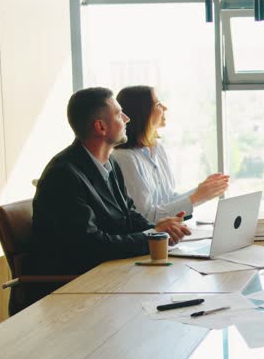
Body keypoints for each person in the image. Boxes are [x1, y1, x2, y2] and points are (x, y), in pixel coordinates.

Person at [31, 87, 190, 282]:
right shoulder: (63, 176)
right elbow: (92, 245)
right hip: (76, 285)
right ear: (101, 127)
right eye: (118, 114)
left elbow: (128, 215)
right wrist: (151, 236)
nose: (126, 119)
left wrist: (159, 230)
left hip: (111, 273)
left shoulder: (110, 162)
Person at [113, 85, 229, 222]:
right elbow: (145, 217)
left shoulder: (157, 148)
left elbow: (167, 200)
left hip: (169, 235)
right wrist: (197, 197)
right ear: (142, 112)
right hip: (150, 239)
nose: (165, 108)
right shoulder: (125, 158)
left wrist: (202, 191)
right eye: (158, 104)